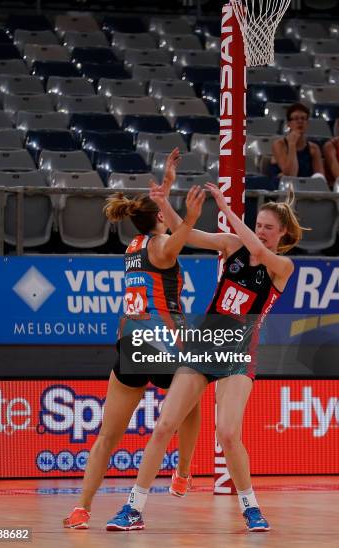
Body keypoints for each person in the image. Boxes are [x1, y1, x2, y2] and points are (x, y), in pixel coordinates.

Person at [106, 175, 302, 534]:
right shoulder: (231, 245)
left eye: (268, 228)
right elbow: (186, 234)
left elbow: (258, 253)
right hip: (203, 347)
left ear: (283, 236)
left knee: (228, 433)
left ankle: (251, 508)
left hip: (238, 356)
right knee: (165, 424)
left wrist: (226, 208)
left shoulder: (282, 268)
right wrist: (163, 202)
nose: (260, 232)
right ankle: (133, 507)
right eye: (258, 225)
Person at [63, 156, 206, 530]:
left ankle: (81, 508)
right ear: (159, 218)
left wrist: (166, 187)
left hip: (130, 346)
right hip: (162, 344)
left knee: (107, 436)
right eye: (163, 211)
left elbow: (157, 222)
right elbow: (178, 238)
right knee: (191, 401)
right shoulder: (161, 246)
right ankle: (184, 472)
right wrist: (189, 216)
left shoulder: (134, 246)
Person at [270, 102, 325, 182]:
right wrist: (292, 144)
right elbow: (290, 175)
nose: (300, 121)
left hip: (306, 189)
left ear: (307, 123)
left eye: (303, 118)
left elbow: (320, 179)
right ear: (289, 124)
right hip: (283, 189)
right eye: (295, 119)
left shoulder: (313, 148)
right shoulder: (279, 145)